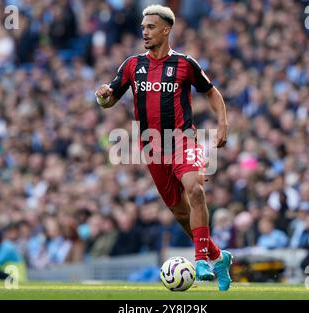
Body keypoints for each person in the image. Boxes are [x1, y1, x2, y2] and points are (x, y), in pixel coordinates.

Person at [95, 4, 232, 291]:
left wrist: (222, 124)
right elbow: (110, 100)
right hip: (152, 148)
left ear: (166, 29)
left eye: (151, 27)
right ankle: (218, 257)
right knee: (181, 213)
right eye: (143, 27)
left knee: (195, 187)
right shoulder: (132, 65)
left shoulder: (184, 63)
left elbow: (211, 92)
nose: (144, 32)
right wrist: (103, 97)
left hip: (183, 139)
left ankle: (201, 261)